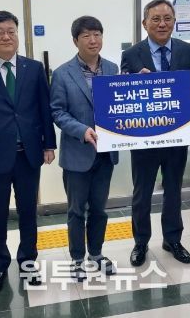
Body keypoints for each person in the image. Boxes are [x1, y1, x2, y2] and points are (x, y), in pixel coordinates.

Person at [0, 10, 57, 295]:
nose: (6, 37)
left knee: (28, 211)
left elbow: (45, 108)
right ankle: (0, 265)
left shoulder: (34, 68)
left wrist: (49, 144)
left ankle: (28, 262)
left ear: (17, 35)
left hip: (28, 154)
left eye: (10, 31)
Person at [120, 0, 190, 267]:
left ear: (174, 21)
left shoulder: (187, 50)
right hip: (144, 138)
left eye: (167, 18)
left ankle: (173, 239)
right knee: (142, 193)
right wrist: (132, 84)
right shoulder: (131, 54)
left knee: (174, 190)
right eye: (156, 19)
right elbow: (123, 92)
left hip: (176, 134)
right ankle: (140, 242)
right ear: (145, 23)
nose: (162, 24)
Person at [50, 16, 119, 281]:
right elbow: (58, 111)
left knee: (100, 210)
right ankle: (77, 259)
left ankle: (97, 254)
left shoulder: (112, 68)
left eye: (97, 34)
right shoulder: (62, 73)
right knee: (76, 211)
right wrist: (81, 130)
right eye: (86, 35)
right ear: (75, 40)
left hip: (105, 154)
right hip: (77, 154)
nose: (93, 40)